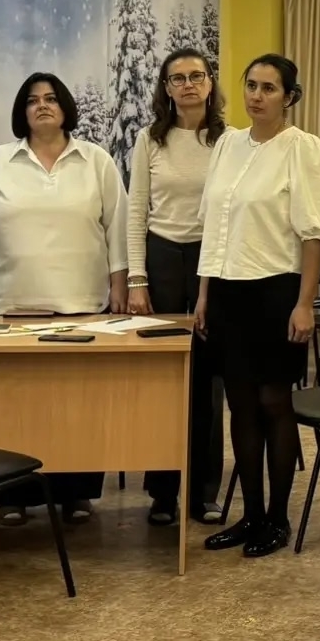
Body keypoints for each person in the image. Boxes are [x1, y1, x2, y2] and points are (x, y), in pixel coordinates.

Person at [0, 73, 124, 527]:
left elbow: (117, 227)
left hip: (84, 306)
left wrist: (122, 286)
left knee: (78, 408)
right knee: (15, 409)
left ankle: (76, 494)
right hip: (12, 308)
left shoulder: (95, 161)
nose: (43, 106)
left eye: (51, 98)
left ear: (66, 107)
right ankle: (11, 495)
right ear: (22, 112)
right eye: (32, 101)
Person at [194, 54, 320, 558]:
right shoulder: (228, 145)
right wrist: (204, 295)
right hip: (228, 291)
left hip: (278, 291)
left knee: (274, 403)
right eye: (251, 85)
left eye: (269, 88)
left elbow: (314, 234)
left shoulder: (303, 149)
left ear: (289, 97)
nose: (257, 96)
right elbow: (214, 229)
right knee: (239, 405)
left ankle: (277, 519)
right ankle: (250, 514)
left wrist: (305, 303)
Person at [129, 48, 230, 527]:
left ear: (210, 83)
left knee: (208, 382)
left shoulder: (229, 141)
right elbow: (136, 211)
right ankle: (163, 492)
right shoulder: (150, 140)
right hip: (162, 258)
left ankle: (205, 491)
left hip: (213, 263)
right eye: (177, 78)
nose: (188, 85)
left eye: (196, 76)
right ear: (166, 89)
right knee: (165, 379)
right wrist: (137, 278)